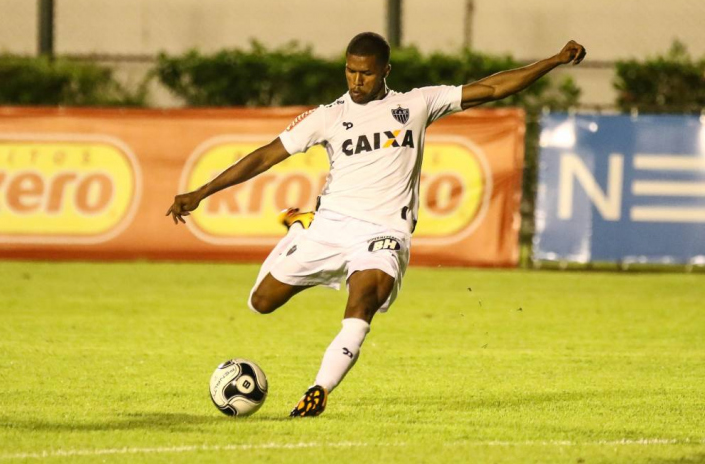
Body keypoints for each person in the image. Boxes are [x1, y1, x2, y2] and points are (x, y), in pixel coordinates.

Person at [166, 32, 586, 417]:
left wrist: (552, 60)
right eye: (350, 70)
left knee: (364, 298)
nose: (356, 80)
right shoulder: (328, 116)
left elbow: (494, 87)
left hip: (382, 232)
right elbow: (263, 156)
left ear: (385, 71)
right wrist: (201, 192)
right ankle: (299, 225)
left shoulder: (417, 104)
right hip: (329, 226)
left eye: (366, 72)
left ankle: (319, 389)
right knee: (261, 302)